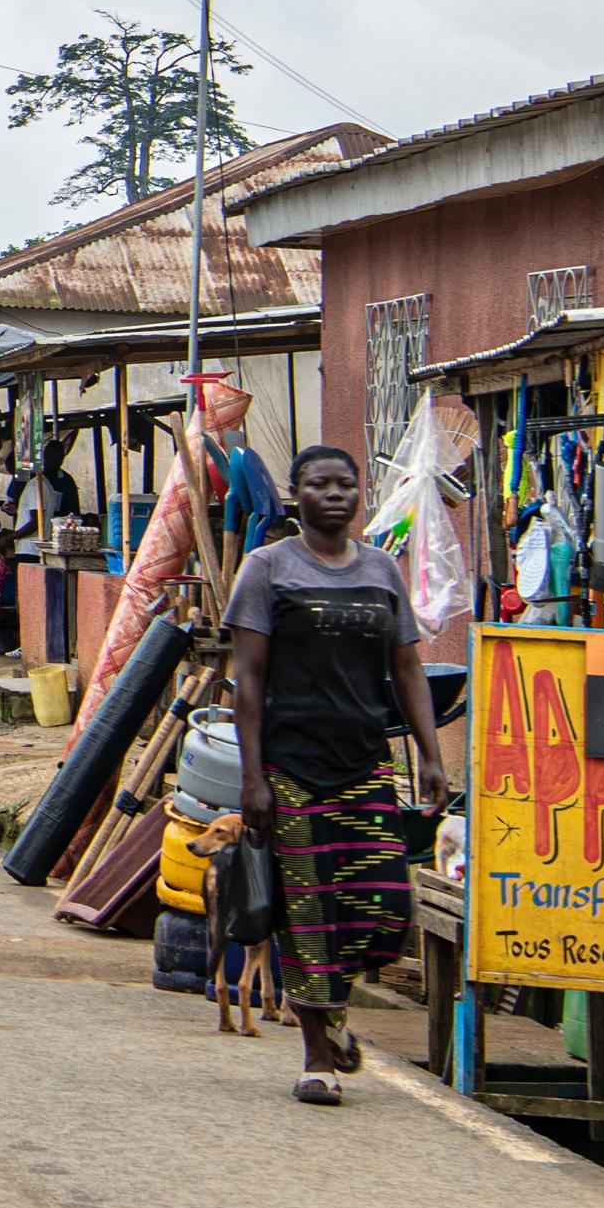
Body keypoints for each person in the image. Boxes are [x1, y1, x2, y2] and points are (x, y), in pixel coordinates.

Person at [222, 442, 440, 1106]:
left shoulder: (380, 569)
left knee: (383, 906)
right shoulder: (268, 569)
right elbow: (248, 680)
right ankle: (318, 1058)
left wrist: (432, 754)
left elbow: (407, 668)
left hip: (365, 762)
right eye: (320, 484)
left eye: (346, 483)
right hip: (292, 766)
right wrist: (253, 776)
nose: (336, 494)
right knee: (309, 914)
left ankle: (335, 1010)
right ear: (298, 495)